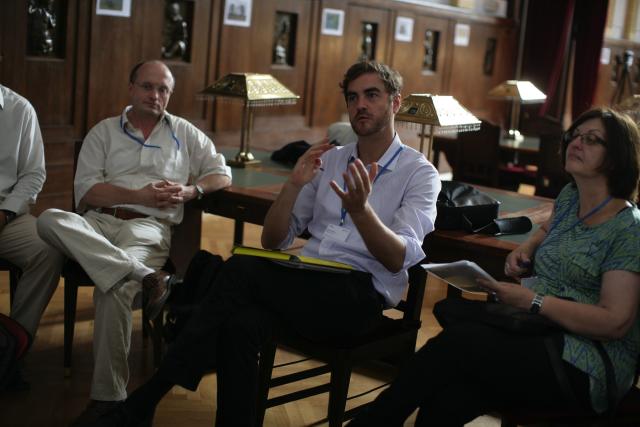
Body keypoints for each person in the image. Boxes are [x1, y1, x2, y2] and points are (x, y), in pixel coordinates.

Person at [89, 60, 440, 426]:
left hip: (357, 298)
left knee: (238, 270)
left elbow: (398, 259)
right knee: (239, 322)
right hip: (309, 281)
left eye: (372, 96)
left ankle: (147, 398)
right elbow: (274, 239)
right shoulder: (331, 160)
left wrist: (362, 212)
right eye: (353, 98)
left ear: (396, 103)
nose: (360, 105)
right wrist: (293, 185)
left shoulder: (420, 173)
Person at [347, 107, 640, 426]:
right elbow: (548, 228)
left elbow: (615, 323)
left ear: (617, 157)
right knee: (447, 399)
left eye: (592, 139)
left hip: (590, 362)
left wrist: (533, 301)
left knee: (459, 343)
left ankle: (372, 421)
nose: (576, 143)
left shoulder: (629, 230)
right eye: (575, 136)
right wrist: (527, 248)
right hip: (540, 335)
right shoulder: (571, 197)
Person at [36, 60, 232, 425]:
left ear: (169, 94)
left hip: (147, 229)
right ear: (131, 88)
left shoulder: (184, 132)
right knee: (48, 220)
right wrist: (139, 194)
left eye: (163, 89)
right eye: (147, 86)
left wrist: (192, 189)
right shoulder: (104, 132)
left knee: (115, 290)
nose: (155, 95)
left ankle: (108, 400)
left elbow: (221, 172)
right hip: (96, 223)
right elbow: (89, 190)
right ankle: (146, 275)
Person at [0, 84, 64, 389]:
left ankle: (11, 351)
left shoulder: (19, 108)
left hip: (5, 214)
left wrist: (5, 212)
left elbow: (33, 174)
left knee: (47, 250)